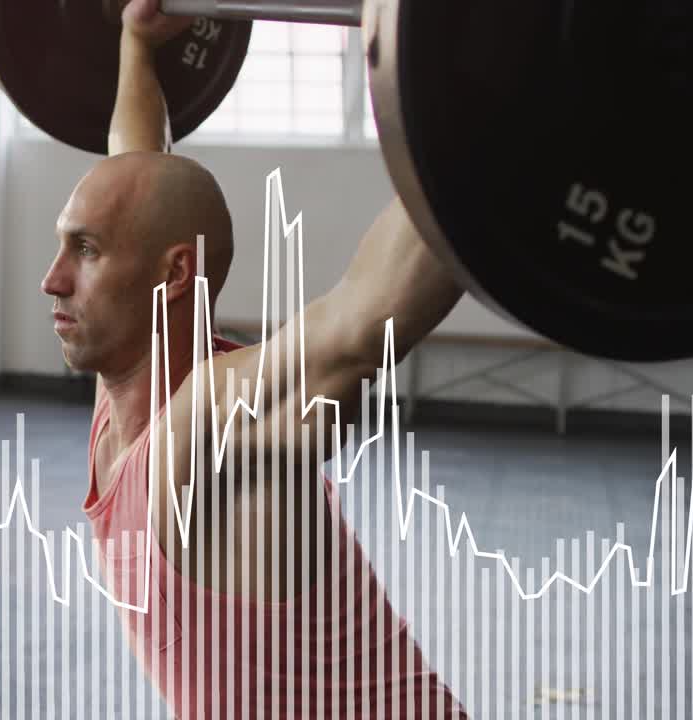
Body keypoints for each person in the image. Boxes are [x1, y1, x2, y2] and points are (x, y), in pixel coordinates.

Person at [39, 0, 468, 716]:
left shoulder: (210, 422)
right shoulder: (125, 389)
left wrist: (491, 106)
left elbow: (358, 328)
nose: (52, 279)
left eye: (83, 251)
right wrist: (136, 43)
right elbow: (133, 169)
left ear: (173, 275)